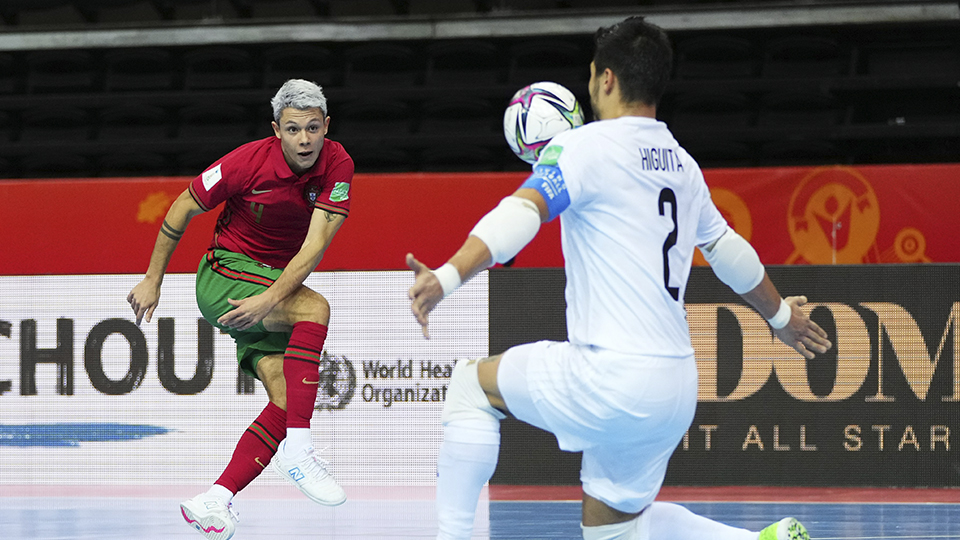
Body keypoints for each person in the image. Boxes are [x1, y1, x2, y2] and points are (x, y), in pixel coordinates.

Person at [407, 17, 832, 540]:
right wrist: (782, 316)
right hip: (675, 386)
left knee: (470, 388)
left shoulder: (584, 147)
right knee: (617, 527)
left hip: (608, 376)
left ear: (605, 78)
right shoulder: (682, 163)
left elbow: (523, 212)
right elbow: (726, 251)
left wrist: (448, 276)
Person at [128, 79, 353, 540]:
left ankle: (215, 499)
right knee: (315, 308)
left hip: (269, 288)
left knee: (288, 401)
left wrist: (270, 299)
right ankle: (300, 449)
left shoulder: (338, 164)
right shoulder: (246, 162)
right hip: (225, 275)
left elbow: (313, 249)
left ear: (326, 125)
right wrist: (154, 279)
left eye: (313, 128)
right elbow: (181, 208)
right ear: (276, 130)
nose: (305, 139)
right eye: (293, 129)